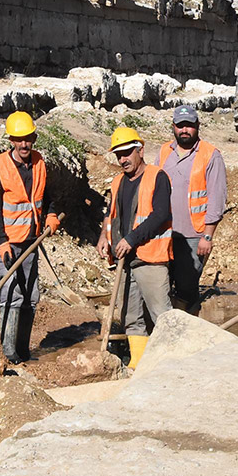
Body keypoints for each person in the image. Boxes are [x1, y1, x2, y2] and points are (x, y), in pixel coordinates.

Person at [0, 111, 61, 364]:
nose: (24, 144)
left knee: (30, 294)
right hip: (6, 241)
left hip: (31, 240)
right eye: (19, 139)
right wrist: (2, 243)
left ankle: (24, 351)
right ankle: (8, 352)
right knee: (10, 293)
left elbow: (47, 197)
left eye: (28, 138)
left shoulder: (39, 163)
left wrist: (50, 217)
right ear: (11, 141)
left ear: (34, 138)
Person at [96, 127, 173, 368]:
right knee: (131, 318)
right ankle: (137, 365)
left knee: (162, 316)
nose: (123, 159)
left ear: (140, 150)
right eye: (118, 155)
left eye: (127, 153)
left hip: (151, 257)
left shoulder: (157, 176)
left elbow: (160, 214)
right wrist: (103, 236)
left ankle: (173, 364)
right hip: (125, 260)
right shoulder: (118, 181)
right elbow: (111, 214)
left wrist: (131, 239)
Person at [157, 105, 227, 315]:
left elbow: (217, 198)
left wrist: (208, 235)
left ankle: (189, 326)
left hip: (194, 235)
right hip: (165, 232)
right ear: (173, 127)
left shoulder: (210, 155)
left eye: (189, 125)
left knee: (187, 288)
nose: (184, 130)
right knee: (163, 286)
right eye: (180, 126)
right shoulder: (164, 152)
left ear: (197, 126)